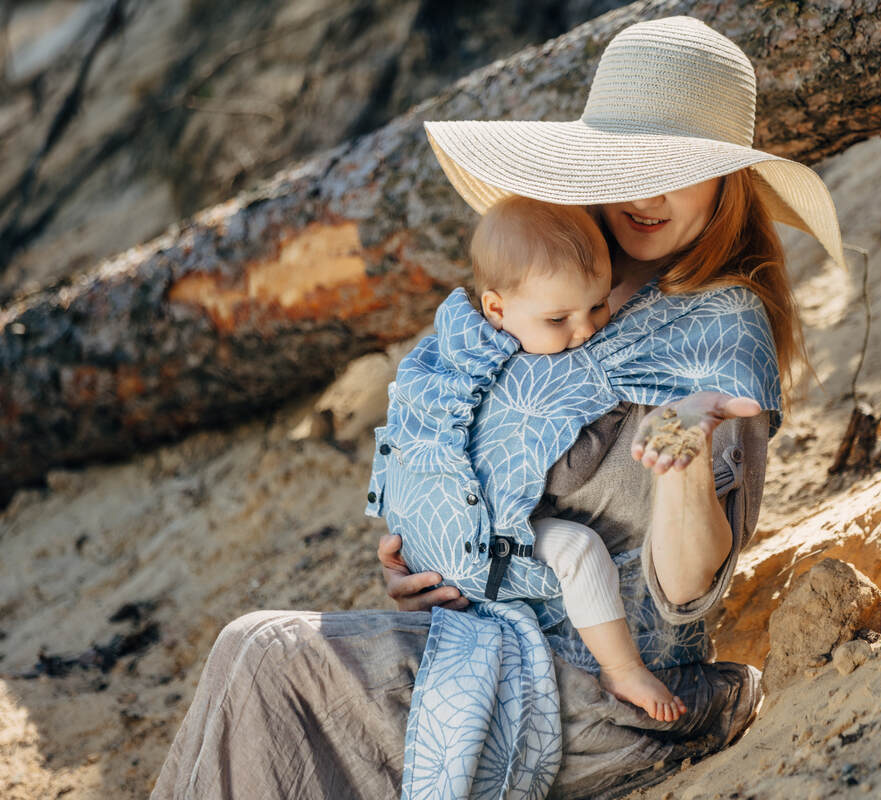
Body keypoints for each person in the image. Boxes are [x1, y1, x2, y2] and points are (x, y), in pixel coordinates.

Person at [150, 15, 845, 799]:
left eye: (678, 167)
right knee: (255, 658)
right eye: (627, 161)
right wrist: (435, 550)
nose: (647, 194)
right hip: (482, 630)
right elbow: (476, 464)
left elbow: (688, 591)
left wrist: (684, 469)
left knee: (268, 656)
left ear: (726, 180)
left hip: (603, 692)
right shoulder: (553, 287)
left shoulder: (721, 333)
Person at [387, 193, 687, 722]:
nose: (586, 330)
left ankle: (608, 668)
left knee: (570, 551)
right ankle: (622, 668)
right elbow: (416, 433)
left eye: (598, 305)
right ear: (496, 308)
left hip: (468, 536)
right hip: (465, 540)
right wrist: (404, 537)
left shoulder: (500, 343)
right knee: (579, 550)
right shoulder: (467, 361)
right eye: (559, 319)